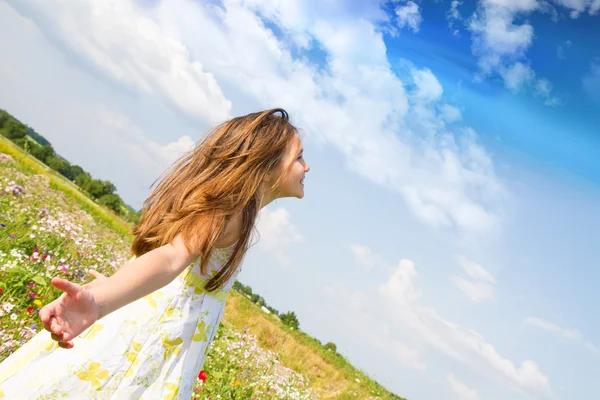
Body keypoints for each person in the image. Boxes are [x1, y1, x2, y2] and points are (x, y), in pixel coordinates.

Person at [0, 108, 310, 399]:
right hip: (143, 344)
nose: (306, 166)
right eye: (299, 158)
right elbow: (173, 257)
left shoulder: (237, 214)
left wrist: (109, 288)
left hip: (160, 344)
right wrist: (100, 300)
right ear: (267, 165)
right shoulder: (229, 211)